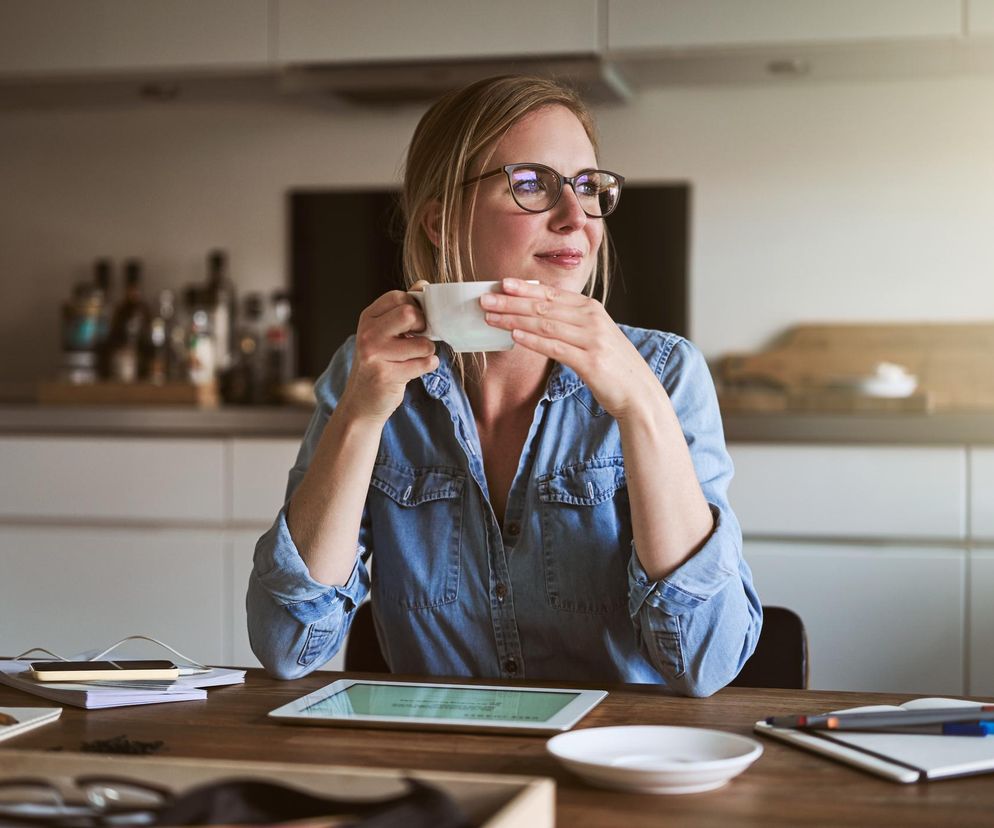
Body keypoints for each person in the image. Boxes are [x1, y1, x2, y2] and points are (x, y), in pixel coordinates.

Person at [247, 75, 761, 695]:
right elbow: (286, 647)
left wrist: (641, 405)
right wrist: (359, 418)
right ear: (440, 222)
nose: (576, 218)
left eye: (588, 187)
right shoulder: (366, 376)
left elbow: (705, 664)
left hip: (619, 760)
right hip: (442, 767)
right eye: (531, 185)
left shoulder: (667, 372)